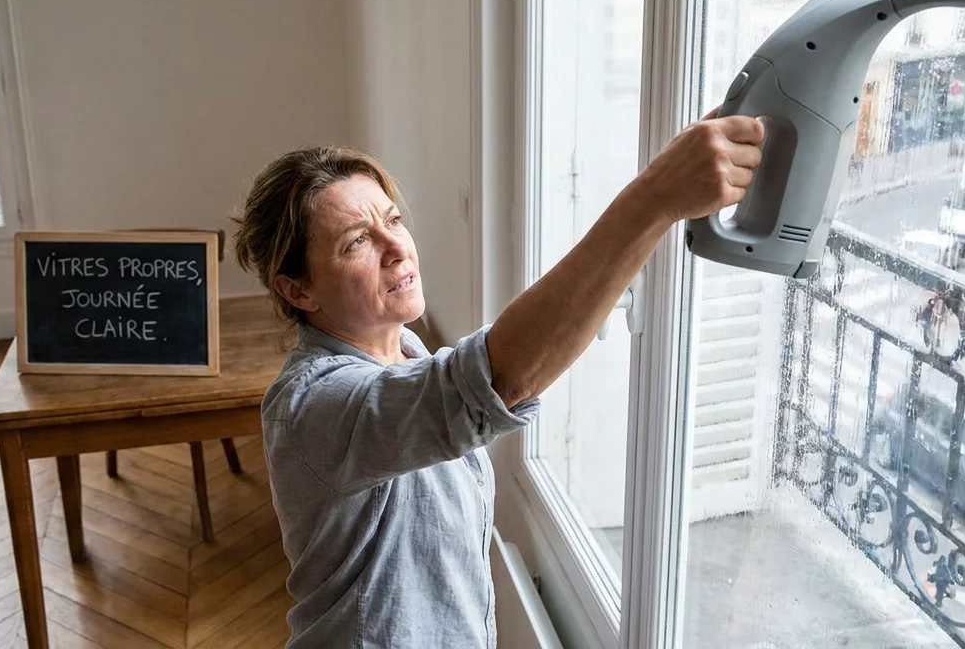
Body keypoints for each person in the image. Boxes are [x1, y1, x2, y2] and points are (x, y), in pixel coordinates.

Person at [228, 112, 765, 648]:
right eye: (356, 243)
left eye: (392, 221)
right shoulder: (312, 406)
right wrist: (656, 197)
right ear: (298, 291)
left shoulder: (406, 349)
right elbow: (497, 378)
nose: (397, 249)